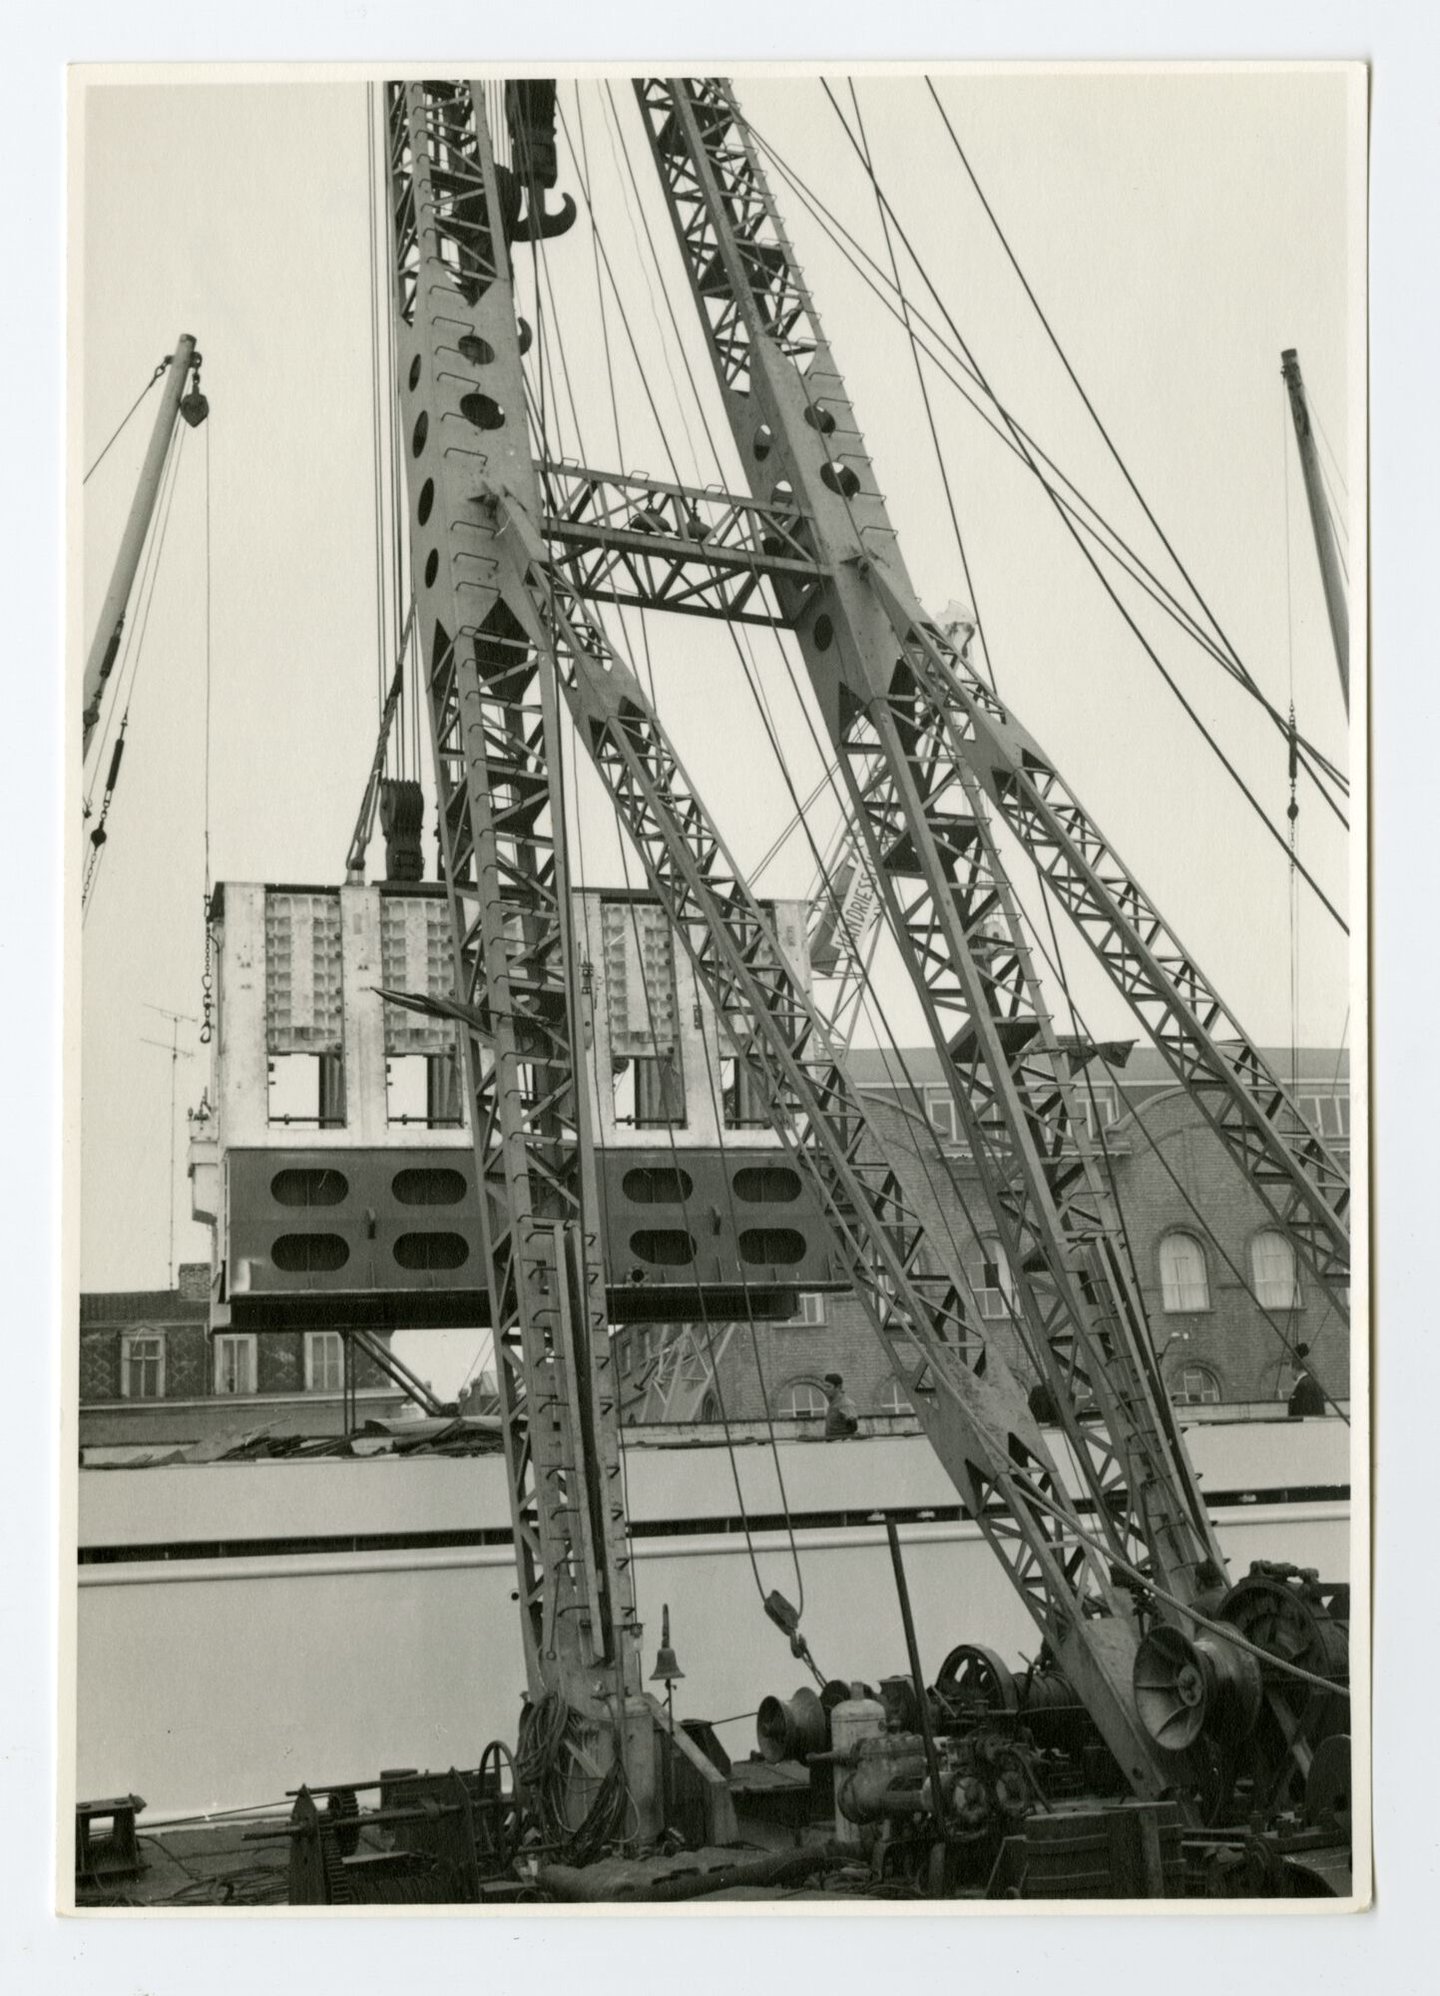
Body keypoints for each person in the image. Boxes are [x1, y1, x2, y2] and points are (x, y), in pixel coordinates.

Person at [1286, 1343, 1326, 1419]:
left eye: (1289, 1366)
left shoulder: (1303, 1386)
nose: (1289, 1371)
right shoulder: (1311, 1382)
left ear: (1294, 1367)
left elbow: (1302, 1414)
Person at [822, 1372, 859, 1440]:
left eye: (828, 1386)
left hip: (841, 1445)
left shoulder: (846, 1404)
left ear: (838, 1387)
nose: (825, 1389)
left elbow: (853, 1428)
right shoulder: (833, 1403)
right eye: (825, 1386)